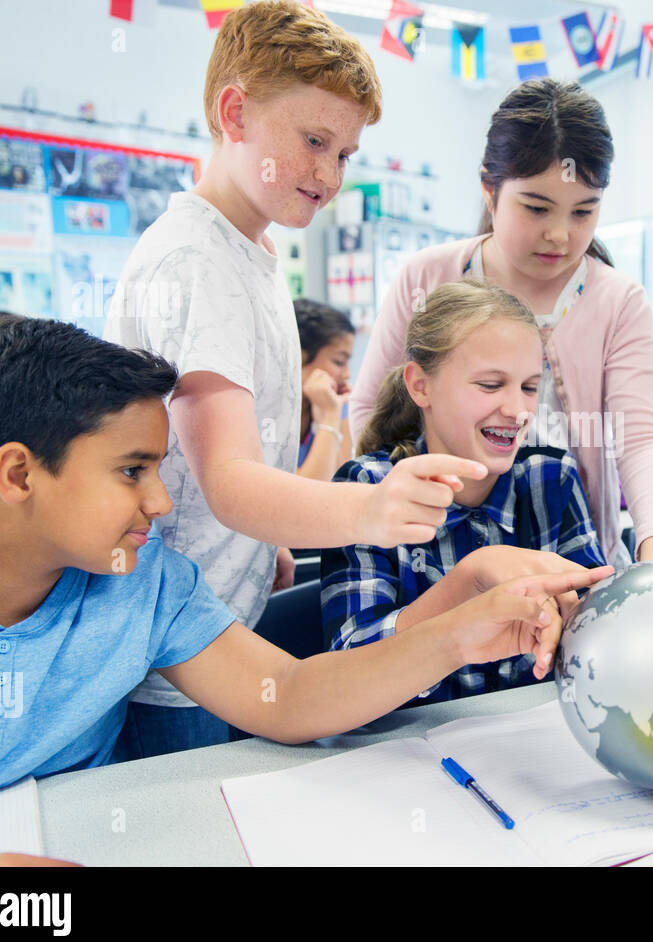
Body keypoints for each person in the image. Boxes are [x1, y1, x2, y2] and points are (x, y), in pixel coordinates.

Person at [0, 315, 608, 812]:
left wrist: (460, 633)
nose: (160, 502)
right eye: (131, 471)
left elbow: (290, 694)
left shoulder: (145, 581)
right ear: (17, 473)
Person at [104, 0, 482, 758]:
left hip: (222, 624)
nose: (329, 174)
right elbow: (230, 482)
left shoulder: (253, 249)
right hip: (175, 664)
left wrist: (268, 540)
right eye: (314, 140)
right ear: (235, 113)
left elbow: (245, 461)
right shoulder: (197, 260)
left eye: (344, 154)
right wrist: (369, 511)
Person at [347, 78, 653, 568]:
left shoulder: (618, 300)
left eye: (584, 211)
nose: (559, 234)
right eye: (536, 207)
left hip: (574, 561)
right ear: (490, 190)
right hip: (437, 557)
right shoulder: (428, 276)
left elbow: (642, 437)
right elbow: (371, 408)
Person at [323, 280, 606, 704]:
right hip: (402, 750)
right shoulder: (369, 490)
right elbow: (346, 675)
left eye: (530, 387)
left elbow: (599, 635)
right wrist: (469, 582)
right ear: (420, 386)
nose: (518, 411)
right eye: (491, 385)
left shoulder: (552, 479)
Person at [293, 298, 355, 481]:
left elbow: (341, 485)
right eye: (338, 362)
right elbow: (305, 495)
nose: (346, 375)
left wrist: (331, 414)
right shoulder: (266, 412)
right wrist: (329, 416)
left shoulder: (336, 405)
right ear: (301, 356)